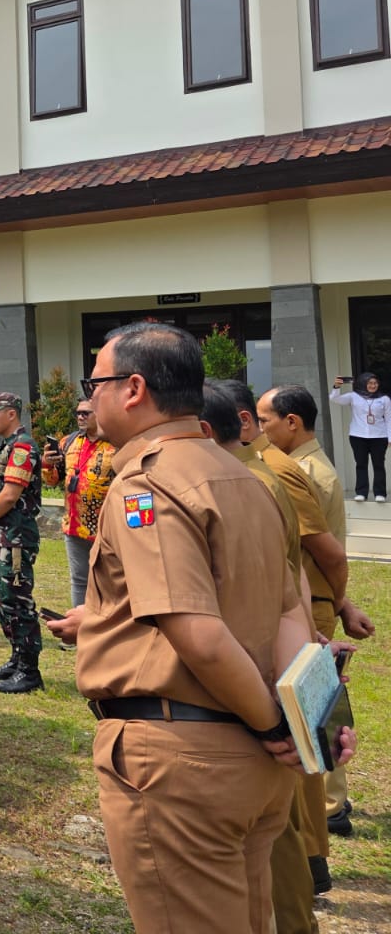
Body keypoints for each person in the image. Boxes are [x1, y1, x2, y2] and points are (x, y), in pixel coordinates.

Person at [49, 322, 349, 934]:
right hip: (253, 765)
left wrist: (275, 726)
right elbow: (288, 612)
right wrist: (300, 723)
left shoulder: (146, 484)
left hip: (185, 761)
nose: (90, 397)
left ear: (134, 389)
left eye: (95, 383)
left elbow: (198, 631)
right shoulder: (248, 477)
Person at [200, 383, 316, 934]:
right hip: (276, 665)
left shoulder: (251, 483)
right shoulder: (254, 476)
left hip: (257, 675)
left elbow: (289, 581)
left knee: (272, 836)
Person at [258, 386, 360, 844]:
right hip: (313, 601)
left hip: (310, 604)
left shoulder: (299, 472)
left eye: (265, 420)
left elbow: (327, 554)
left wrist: (337, 603)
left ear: (292, 422)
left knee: (311, 708)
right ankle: (331, 800)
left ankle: (330, 805)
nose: (260, 430)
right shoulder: (306, 465)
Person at [0, 392, 44, 693]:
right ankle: (17, 658)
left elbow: (10, 495)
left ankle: (29, 670)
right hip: (2, 537)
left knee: (16, 600)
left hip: (15, 538)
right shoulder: (5, 446)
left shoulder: (23, 447)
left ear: (11, 414)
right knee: (3, 599)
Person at [41, 398, 116, 607]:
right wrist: (47, 463)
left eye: (86, 413)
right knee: (79, 580)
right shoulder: (69, 442)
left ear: (99, 413)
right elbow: (52, 480)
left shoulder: (115, 442)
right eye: (78, 413)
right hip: (74, 526)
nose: (80, 417)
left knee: (109, 582)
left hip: (106, 528)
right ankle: (79, 623)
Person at [329, 372, 389, 501]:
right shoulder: (353, 396)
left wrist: (390, 438)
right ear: (363, 383)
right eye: (370, 383)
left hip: (379, 437)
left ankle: (380, 494)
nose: (373, 385)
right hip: (358, 436)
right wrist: (336, 387)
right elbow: (334, 399)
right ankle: (361, 493)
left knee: (378, 465)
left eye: (375, 383)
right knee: (361, 464)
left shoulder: (384, 399)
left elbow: (389, 419)